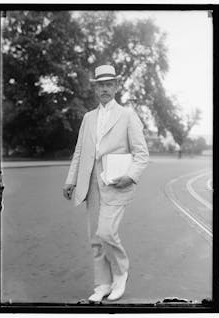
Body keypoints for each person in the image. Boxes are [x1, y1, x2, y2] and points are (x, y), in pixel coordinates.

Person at [63, 65, 149, 302]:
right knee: (95, 239)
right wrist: (71, 180)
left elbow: (142, 154)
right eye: (100, 85)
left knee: (106, 232)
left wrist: (130, 176)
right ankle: (102, 284)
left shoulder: (128, 115)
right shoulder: (88, 118)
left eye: (109, 84)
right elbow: (80, 152)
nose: (104, 89)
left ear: (116, 87)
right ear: (95, 88)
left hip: (117, 184)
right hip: (91, 185)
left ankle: (121, 274)